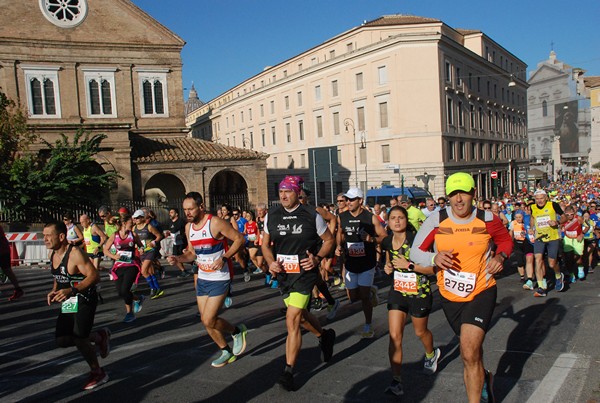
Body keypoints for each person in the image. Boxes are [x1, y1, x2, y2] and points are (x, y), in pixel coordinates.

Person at [411, 172, 513, 403]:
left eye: (463, 193)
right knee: (472, 353)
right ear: (447, 197)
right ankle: (484, 378)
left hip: (481, 289)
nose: (458, 199)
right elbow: (416, 252)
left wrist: (500, 257)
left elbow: (505, 240)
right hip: (449, 295)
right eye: (453, 194)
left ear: (473, 194)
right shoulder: (437, 219)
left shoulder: (488, 219)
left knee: (467, 352)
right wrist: (434, 258)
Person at [261, 176, 336, 391]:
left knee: (292, 318)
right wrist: (270, 262)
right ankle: (324, 336)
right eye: (281, 191)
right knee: (301, 316)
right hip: (284, 273)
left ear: (298, 193)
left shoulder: (311, 215)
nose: (283, 195)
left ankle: (288, 372)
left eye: (288, 191)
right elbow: (266, 245)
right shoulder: (271, 216)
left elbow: (329, 240)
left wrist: (317, 259)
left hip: (305, 273)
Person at [167, 192, 248, 368]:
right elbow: (191, 253)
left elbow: (239, 239)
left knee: (208, 319)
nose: (187, 213)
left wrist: (225, 257)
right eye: (185, 210)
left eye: (191, 209)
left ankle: (237, 331)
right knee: (206, 320)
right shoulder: (189, 228)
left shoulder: (215, 222)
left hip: (220, 277)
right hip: (203, 277)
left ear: (201, 207)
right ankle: (226, 351)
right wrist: (178, 259)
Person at [43, 221, 110, 390]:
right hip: (70, 300)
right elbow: (59, 276)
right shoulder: (53, 254)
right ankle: (98, 337)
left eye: (48, 236)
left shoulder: (74, 253)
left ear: (61, 236)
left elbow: (94, 276)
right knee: (63, 340)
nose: (45, 239)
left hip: (85, 298)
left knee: (80, 337)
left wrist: (72, 290)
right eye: (43, 236)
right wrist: (54, 290)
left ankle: (98, 372)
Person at [382, 206, 440, 396]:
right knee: (395, 336)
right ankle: (396, 381)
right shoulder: (387, 241)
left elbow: (434, 269)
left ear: (407, 221)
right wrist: (388, 266)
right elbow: (389, 258)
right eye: (393, 218)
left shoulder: (417, 241)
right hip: (398, 291)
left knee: (420, 331)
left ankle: (431, 354)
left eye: (400, 218)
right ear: (388, 222)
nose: (397, 221)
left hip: (419, 292)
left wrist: (410, 265)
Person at [336, 187, 388, 338]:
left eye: (352, 199)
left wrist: (371, 239)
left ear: (360, 201)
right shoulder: (342, 216)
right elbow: (340, 233)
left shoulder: (370, 217)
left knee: (364, 296)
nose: (348, 202)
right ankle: (371, 291)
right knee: (353, 297)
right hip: (350, 261)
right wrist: (338, 247)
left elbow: (384, 236)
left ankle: (368, 324)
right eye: (347, 199)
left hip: (367, 261)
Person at [103, 215, 145, 323]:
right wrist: (114, 256)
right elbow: (105, 250)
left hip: (131, 265)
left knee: (125, 289)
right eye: (131, 222)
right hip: (119, 266)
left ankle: (129, 313)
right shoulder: (114, 236)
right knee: (120, 292)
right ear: (124, 223)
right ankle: (137, 298)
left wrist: (141, 249)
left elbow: (140, 246)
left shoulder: (133, 235)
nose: (133, 224)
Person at [530, 189, 567, 297]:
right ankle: (541, 287)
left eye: (541, 198)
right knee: (538, 259)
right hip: (539, 237)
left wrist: (557, 222)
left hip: (553, 237)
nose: (539, 201)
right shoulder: (533, 207)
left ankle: (558, 275)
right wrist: (531, 228)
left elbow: (564, 217)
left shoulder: (553, 205)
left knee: (551, 263)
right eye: (537, 199)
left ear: (546, 198)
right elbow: (532, 217)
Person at [132, 209, 165, 299]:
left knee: (143, 271)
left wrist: (154, 242)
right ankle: (158, 289)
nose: (136, 219)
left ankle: (153, 288)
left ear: (143, 218)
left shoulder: (149, 227)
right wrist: (137, 248)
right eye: (135, 218)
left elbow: (159, 236)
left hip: (150, 251)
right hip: (142, 252)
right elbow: (134, 240)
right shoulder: (134, 228)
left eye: (138, 218)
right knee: (149, 272)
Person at [508, 210, 535, 290]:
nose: (518, 219)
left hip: (527, 243)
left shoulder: (527, 223)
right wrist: (510, 242)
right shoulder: (513, 223)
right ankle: (522, 277)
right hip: (517, 243)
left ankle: (530, 277)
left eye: (520, 217)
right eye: (517, 217)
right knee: (520, 261)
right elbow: (511, 232)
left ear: (523, 217)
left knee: (529, 260)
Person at [561, 205, 585, 283]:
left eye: (571, 214)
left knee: (577, 257)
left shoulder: (579, 218)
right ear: (565, 214)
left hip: (577, 238)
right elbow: (559, 227)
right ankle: (571, 274)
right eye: (567, 214)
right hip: (568, 239)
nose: (569, 216)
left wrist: (582, 234)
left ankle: (580, 267)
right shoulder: (563, 219)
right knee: (568, 258)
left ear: (574, 212)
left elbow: (587, 226)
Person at [0, 225, 24, 301]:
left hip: (2, 250)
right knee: (7, 270)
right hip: (4, 250)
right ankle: (18, 289)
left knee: (7, 270)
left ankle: (18, 289)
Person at [165, 208, 190, 278]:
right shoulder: (170, 222)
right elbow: (171, 231)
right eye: (170, 212)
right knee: (175, 257)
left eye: (172, 212)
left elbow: (187, 229)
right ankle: (183, 271)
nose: (170, 214)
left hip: (182, 241)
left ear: (176, 214)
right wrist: (168, 233)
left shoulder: (181, 221)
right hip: (175, 242)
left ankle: (194, 265)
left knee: (185, 256)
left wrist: (183, 235)